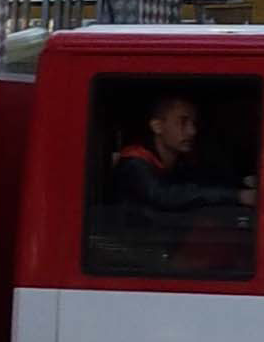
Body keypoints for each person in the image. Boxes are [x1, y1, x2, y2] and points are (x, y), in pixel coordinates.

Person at [108, 93, 254, 273]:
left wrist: (244, 182)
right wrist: (237, 196)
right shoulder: (134, 164)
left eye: (194, 124)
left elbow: (204, 182)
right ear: (157, 126)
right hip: (138, 253)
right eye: (183, 122)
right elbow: (165, 196)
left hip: (166, 245)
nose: (192, 131)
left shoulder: (182, 163)